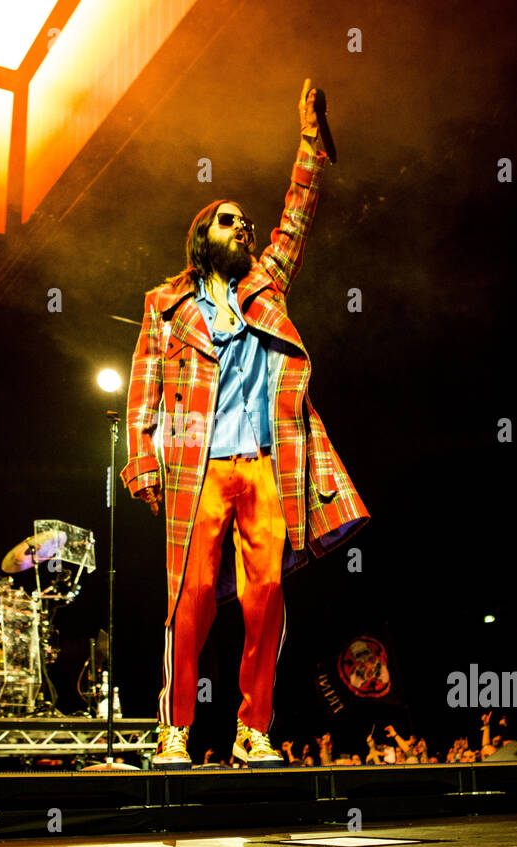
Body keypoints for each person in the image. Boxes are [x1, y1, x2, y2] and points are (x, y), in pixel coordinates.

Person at [123, 79, 368, 768]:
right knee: (191, 599)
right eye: (230, 221)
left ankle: (253, 729)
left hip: (265, 463)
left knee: (265, 599)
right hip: (195, 464)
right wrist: (145, 467)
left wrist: (309, 141)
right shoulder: (164, 304)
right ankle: (174, 729)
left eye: (247, 224)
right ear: (203, 236)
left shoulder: (266, 286)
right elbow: (145, 389)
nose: (246, 229)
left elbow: (298, 214)